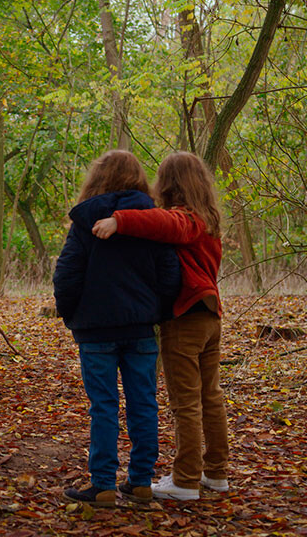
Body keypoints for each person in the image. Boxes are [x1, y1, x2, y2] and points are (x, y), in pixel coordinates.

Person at [91, 151, 229, 501]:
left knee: (187, 402)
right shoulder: (208, 219)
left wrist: (119, 220)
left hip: (187, 319)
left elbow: (166, 224)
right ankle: (216, 473)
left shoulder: (187, 219)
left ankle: (185, 480)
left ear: (169, 183)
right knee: (209, 398)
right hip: (210, 316)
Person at [54, 150, 181, 507]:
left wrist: (73, 316)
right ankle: (141, 482)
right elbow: (170, 275)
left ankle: (104, 484)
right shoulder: (152, 222)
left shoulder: (85, 224)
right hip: (140, 329)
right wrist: (156, 312)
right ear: (139, 181)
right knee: (143, 403)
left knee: (104, 406)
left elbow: (66, 277)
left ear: (97, 179)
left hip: (96, 332)